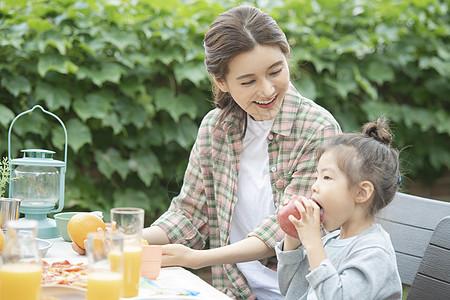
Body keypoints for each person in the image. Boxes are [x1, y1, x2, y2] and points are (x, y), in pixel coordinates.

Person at [72, 5, 340, 299]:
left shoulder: (317, 129)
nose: (266, 90)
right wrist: (120, 239)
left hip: (298, 292)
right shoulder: (216, 128)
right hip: (233, 292)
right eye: (248, 81)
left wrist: (198, 258)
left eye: (275, 71)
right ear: (221, 82)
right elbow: (189, 215)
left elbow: (288, 227)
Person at [275, 118, 402, 300]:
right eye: (317, 176)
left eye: (326, 177)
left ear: (361, 192)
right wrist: (294, 238)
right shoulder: (330, 240)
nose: (314, 187)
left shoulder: (375, 253)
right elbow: (290, 291)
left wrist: (312, 242)